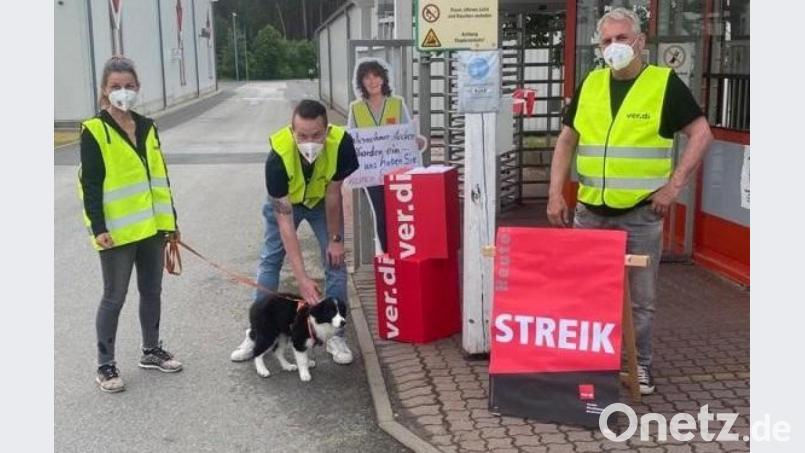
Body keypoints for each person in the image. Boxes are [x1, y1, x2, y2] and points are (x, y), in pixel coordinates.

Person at [546, 8, 713, 395]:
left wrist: (674, 187)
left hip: (639, 215)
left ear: (639, 42)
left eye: (622, 39)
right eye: (606, 41)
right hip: (590, 213)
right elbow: (567, 140)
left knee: (641, 300)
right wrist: (556, 193)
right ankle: (593, 363)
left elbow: (701, 133)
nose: (614, 47)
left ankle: (640, 366)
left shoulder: (663, 83)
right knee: (589, 293)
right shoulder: (591, 83)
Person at [79, 56, 183, 394]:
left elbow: (160, 178)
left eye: (128, 86)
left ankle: (151, 350)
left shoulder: (148, 126)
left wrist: (171, 223)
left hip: (151, 229)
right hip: (117, 233)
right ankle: (105, 365)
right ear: (104, 91)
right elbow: (91, 185)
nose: (123, 92)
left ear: (137, 88)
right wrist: (99, 228)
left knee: (152, 291)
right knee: (114, 297)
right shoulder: (94, 130)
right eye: (115, 87)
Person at [230, 100, 359, 365]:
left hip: (322, 202)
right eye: (302, 135)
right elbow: (285, 224)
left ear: (327, 129)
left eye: (315, 135)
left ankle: (335, 335)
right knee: (271, 259)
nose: (309, 141)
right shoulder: (278, 157)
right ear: (292, 130)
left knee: (336, 261)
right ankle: (257, 332)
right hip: (287, 204)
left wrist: (335, 240)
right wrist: (301, 278)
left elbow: (334, 194)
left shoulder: (341, 144)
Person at [347, 59, 421, 253]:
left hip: (398, 171)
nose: (372, 81)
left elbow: (409, 135)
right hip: (372, 175)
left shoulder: (397, 104)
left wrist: (418, 142)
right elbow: (352, 139)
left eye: (376, 76)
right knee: (381, 214)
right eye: (367, 78)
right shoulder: (356, 108)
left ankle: (403, 253)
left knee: (401, 214)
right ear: (361, 83)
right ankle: (388, 254)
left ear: (383, 78)